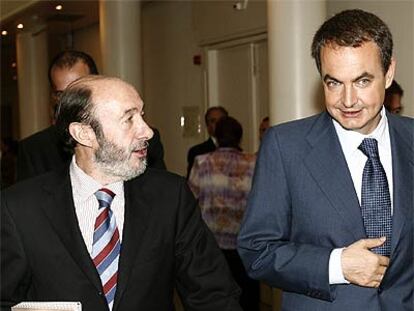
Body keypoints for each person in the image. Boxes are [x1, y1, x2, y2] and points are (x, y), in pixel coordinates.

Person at [1, 75, 242, 311]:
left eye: (142, 115)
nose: (147, 131)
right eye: (129, 119)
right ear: (84, 133)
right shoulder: (20, 208)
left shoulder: (170, 196)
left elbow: (213, 294)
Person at [238, 9, 413, 311]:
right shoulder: (285, 147)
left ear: (389, 73)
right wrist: (336, 264)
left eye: (362, 81)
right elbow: (256, 251)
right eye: (333, 83)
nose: (347, 100)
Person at [17, 50, 166, 182]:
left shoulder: (142, 141)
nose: (70, 99)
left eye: (78, 87)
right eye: (61, 94)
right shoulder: (34, 149)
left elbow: (158, 195)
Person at [189, 116, 259, 311]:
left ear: (217, 137)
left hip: (212, 244)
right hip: (245, 243)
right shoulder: (253, 162)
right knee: (248, 298)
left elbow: (191, 199)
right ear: (239, 137)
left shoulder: (202, 162)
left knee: (216, 298)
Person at [186, 106, 228, 178]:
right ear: (207, 126)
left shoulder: (235, 150)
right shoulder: (197, 152)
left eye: (221, 120)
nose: (218, 124)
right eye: (213, 121)